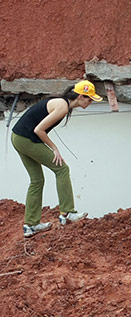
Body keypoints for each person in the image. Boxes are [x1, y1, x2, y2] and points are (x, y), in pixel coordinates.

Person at [11, 79, 101, 237]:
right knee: (62, 169)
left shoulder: (62, 103)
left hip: (18, 137)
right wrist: (54, 149)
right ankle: (67, 213)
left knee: (37, 180)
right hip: (26, 139)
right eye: (89, 98)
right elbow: (39, 130)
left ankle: (31, 225)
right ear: (80, 96)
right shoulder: (62, 106)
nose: (91, 102)